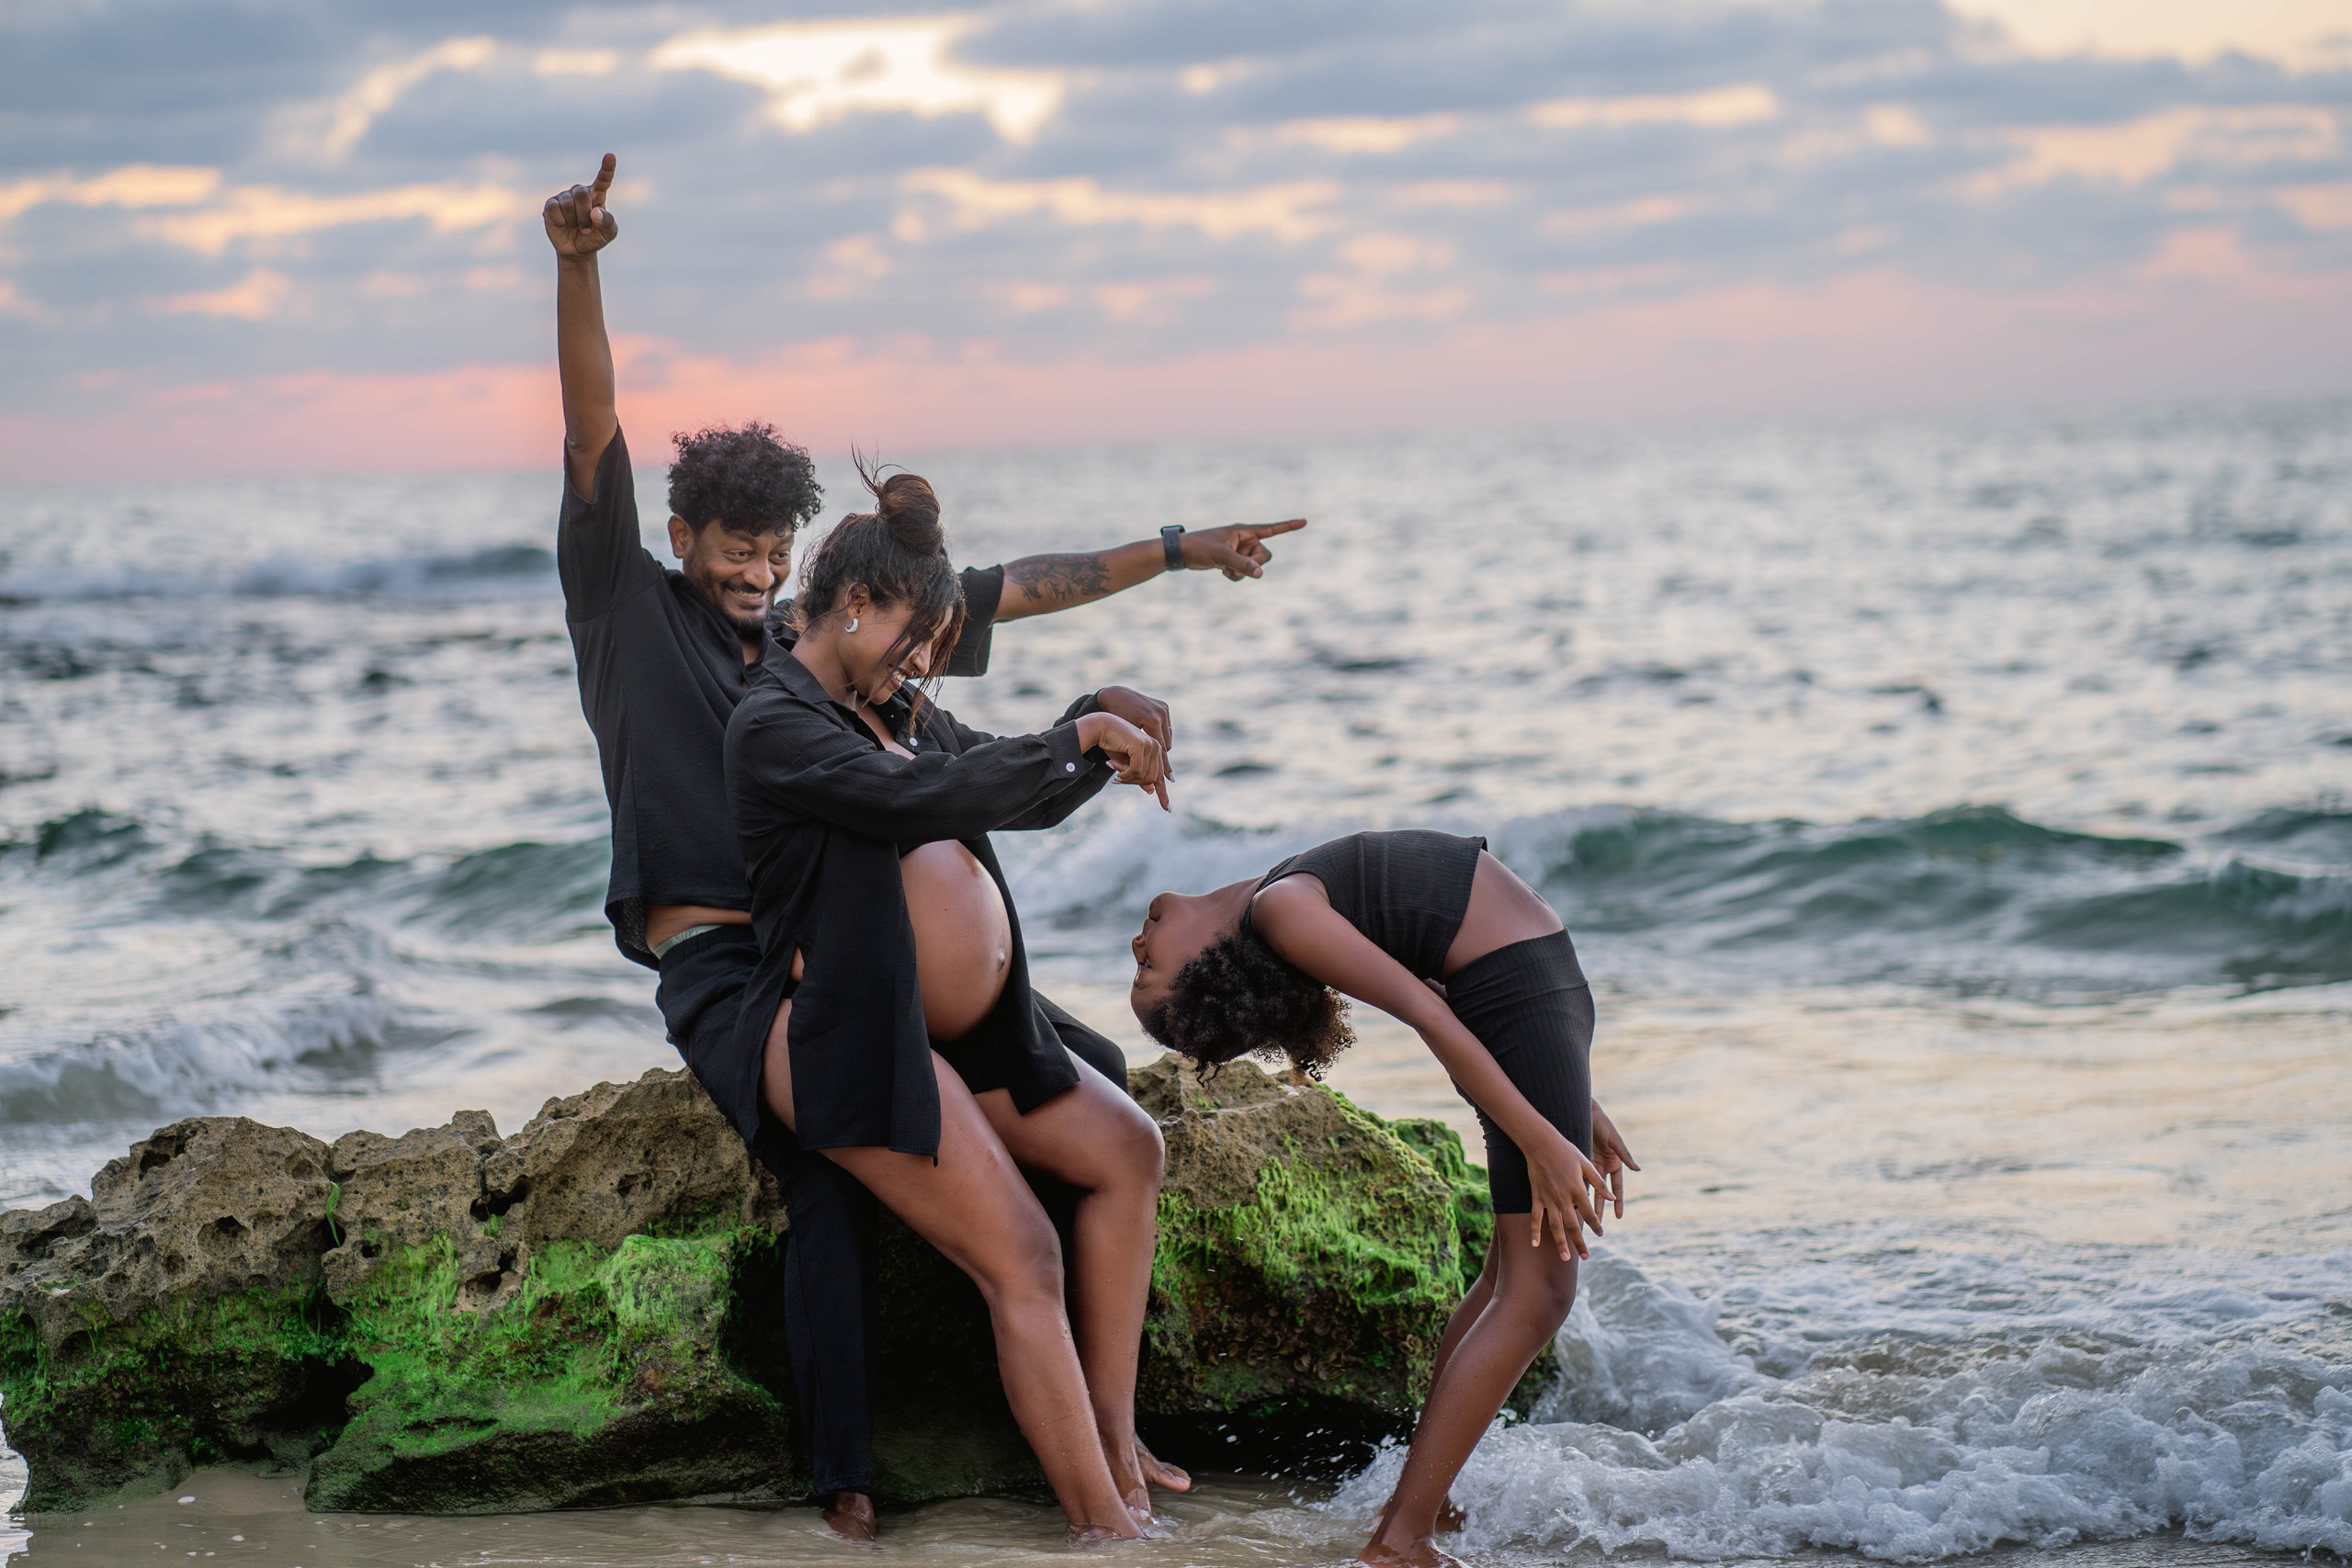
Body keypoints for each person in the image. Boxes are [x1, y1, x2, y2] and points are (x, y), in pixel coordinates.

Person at [544, 152, 1303, 1538]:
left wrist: (1182, 550)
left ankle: (1102, 1420)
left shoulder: (821, 642)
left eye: (776, 547)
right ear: (679, 534)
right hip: (735, 964)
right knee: (834, 1170)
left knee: (1099, 1080)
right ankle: (851, 1476)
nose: (755, 570)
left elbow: (1000, 591)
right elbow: (592, 425)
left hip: (855, 942)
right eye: (733, 545)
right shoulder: (628, 608)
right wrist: (580, 265)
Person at [726, 474, 1172, 1540]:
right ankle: (1106, 1534)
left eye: (931, 642)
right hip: (849, 1033)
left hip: (964, 1032)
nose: (920, 660)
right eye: (912, 636)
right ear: (852, 605)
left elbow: (1000, 785)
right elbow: (916, 801)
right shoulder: (773, 723)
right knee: (1023, 1253)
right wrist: (1079, 734)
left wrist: (1095, 729)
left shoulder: (901, 708)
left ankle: (1117, 1445)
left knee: (1130, 1148)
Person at [1125, 829, 1641, 1568]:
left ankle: (1427, 1503)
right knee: (1538, 1292)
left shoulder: (1278, 902)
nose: (1137, 937)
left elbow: (1430, 979)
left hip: (1523, 993)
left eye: (1141, 956)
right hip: (1516, 987)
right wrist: (1540, 1134)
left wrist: (1566, 1102)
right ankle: (1403, 1536)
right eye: (1146, 964)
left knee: (1508, 1283)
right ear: (1205, 969)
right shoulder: (1281, 910)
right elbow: (1432, 1013)